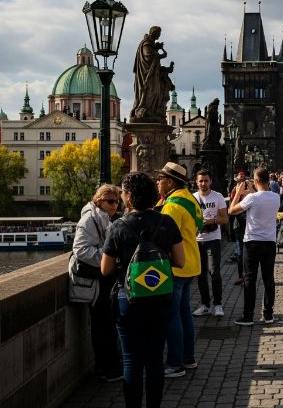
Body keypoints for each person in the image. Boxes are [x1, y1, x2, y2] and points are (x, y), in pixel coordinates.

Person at [101, 172, 186, 408]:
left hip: (128, 300)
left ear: (129, 196)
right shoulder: (166, 221)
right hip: (160, 298)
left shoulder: (119, 225)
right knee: (155, 361)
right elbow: (180, 261)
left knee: (131, 362)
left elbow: (106, 269)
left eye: (122, 192)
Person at [69, 183, 122, 382]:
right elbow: (80, 250)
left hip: (103, 279)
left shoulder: (104, 217)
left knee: (106, 324)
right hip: (95, 281)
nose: (115, 205)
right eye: (110, 201)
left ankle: (105, 365)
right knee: (102, 325)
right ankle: (108, 368)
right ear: (99, 201)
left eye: (116, 201)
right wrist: (107, 259)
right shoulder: (89, 219)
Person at [156, 162, 202, 377]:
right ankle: (188, 358)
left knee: (173, 315)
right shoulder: (189, 198)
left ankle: (175, 364)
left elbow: (166, 236)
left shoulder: (173, 205)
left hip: (176, 265)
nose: (158, 182)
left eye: (161, 179)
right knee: (184, 313)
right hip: (191, 261)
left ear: (171, 182)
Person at [229, 167, 281, 326]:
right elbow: (259, 198)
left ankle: (248, 316)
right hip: (270, 242)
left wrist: (238, 192)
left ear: (256, 181)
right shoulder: (276, 197)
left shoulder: (252, 199)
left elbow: (232, 211)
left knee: (250, 279)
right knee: (268, 278)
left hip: (252, 242)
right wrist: (252, 189)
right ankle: (268, 314)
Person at [192, 170, 229, 317]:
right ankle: (205, 304)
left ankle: (218, 305)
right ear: (196, 182)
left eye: (206, 180)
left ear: (210, 181)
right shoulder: (192, 198)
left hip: (213, 239)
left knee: (214, 272)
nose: (203, 183)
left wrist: (212, 221)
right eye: (201, 181)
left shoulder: (217, 196)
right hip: (197, 240)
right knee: (200, 275)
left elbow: (225, 219)